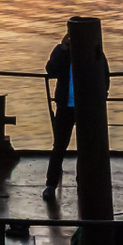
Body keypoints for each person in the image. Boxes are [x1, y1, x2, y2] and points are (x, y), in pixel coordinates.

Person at [43, 27, 76, 197]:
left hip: (86, 107)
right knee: (59, 146)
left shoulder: (94, 52)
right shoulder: (61, 51)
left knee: (88, 147)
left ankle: (83, 181)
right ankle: (51, 184)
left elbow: (103, 75)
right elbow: (51, 70)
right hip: (65, 105)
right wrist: (63, 49)